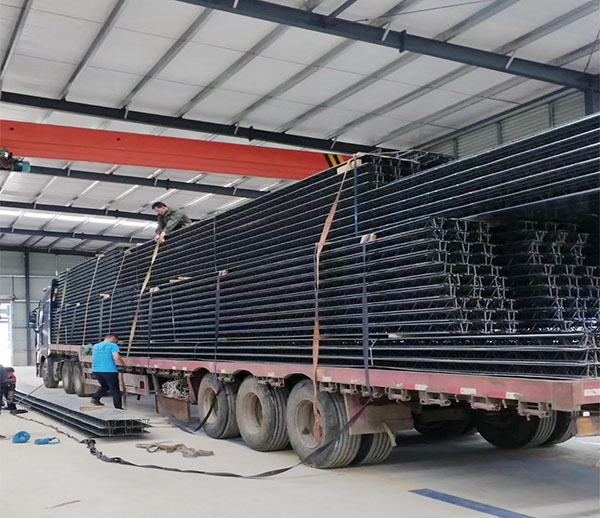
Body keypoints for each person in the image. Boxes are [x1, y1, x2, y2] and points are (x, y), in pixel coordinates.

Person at [90, 333, 125, 409]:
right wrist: (123, 364)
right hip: (109, 370)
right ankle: (118, 407)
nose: (116, 342)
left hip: (96, 370)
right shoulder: (113, 346)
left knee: (105, 386)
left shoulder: (96, 346)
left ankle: (95, 398)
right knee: (115, 390)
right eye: (116, 340)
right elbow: (116, 357)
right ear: (113, 338)